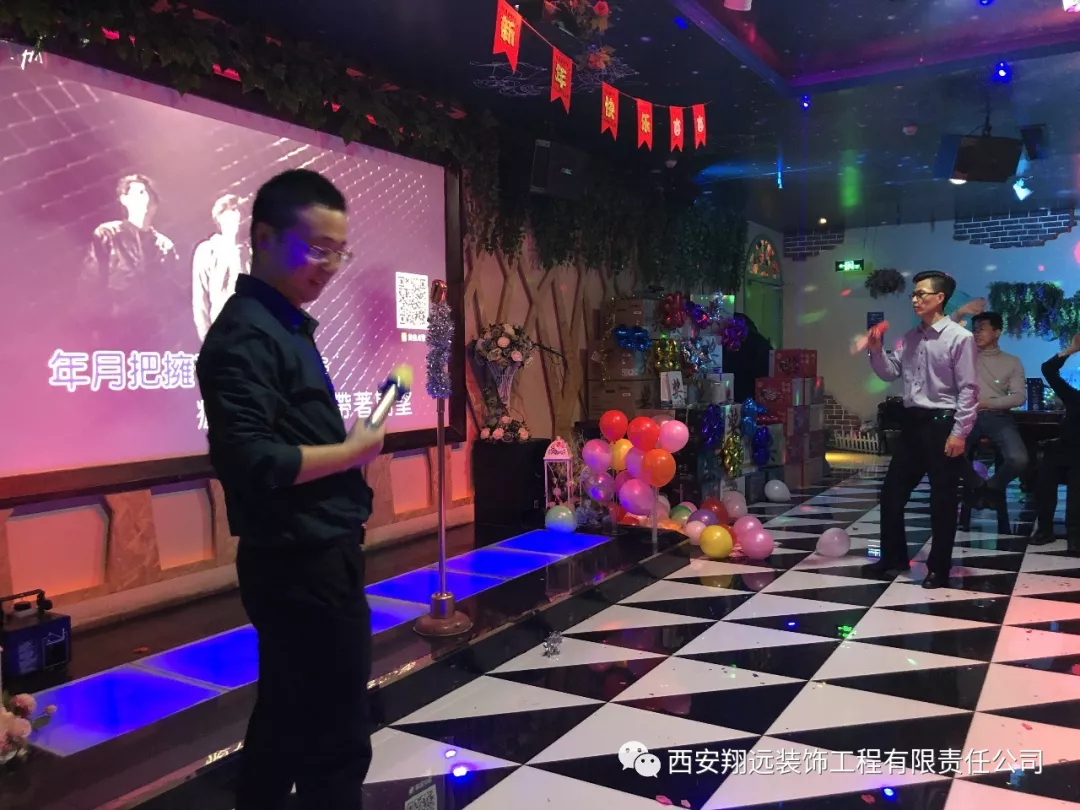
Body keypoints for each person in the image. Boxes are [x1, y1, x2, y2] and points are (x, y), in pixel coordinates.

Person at [196, 169, 384, 810]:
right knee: (336, 738)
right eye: (317, 249)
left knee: (284, 719)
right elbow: (250, 459)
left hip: (314, 553)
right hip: (300, 560)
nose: (329, 266)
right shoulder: (247, 334)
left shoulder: (283, 325)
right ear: (264, 238)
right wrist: (352, 452)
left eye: (339, 252)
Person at [866, 270, 979, 589]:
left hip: (943, 424)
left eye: (921, 294)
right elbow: (890, 372)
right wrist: (876, 349)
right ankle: (893, 558)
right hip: (912, 424)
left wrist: (960, 432)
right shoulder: (911, 337)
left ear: (940, 298)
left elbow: (969, 389)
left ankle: (938, 569)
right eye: (913, 294)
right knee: (891, 495)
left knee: (942, 501)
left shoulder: (960, 338)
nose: (915, 299)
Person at [81, 174, 180, 343]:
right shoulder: (108, 234)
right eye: (140, 192)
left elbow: (171, 292)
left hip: (154, 330)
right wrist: (94, 324)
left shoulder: (165, 245)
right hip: (115, 326)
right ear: (124, 199)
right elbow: (91, 280)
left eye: (149, 193)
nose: (146, 198)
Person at [961, 312, 1028, 506]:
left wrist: (985, 404)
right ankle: (977, 485)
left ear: (997, 332)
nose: (976, 333)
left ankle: (992, 487)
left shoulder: (1012, 361)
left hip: (998, 416)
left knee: (1019, 459)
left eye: (982, 329)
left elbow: (1019, 397)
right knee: (948, 453)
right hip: (966, 415)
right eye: (974, 330)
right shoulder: (964, 357)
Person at [1031, 335, 1080, 548]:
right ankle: (1045, 529)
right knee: (1045, 469)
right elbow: (1048, 370)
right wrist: (1070, 350)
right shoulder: (1075, 397)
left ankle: (1075, 534)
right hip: (1065, 449)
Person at [193, 194, 250, 341]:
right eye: (230, 212)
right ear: (219, 219)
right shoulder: (207, 251)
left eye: (239, 211)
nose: (236, 217)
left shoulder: (252, 252)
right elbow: (200, 300)